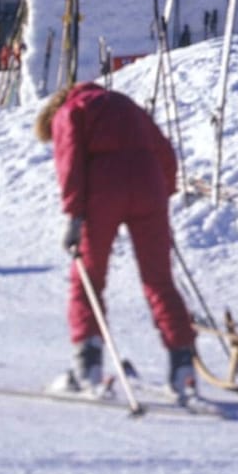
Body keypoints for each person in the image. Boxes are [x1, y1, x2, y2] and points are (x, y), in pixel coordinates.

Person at [36, 82, 197, 397]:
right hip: (149, 185)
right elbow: (164, 151)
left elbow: (70, 165)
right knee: (159, 279)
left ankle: (88, 367)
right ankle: (183, 365)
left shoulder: (70, 112)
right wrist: (163, 196)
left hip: (103, 188)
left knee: (87, 278)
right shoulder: (125, 103)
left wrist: (73, 216)